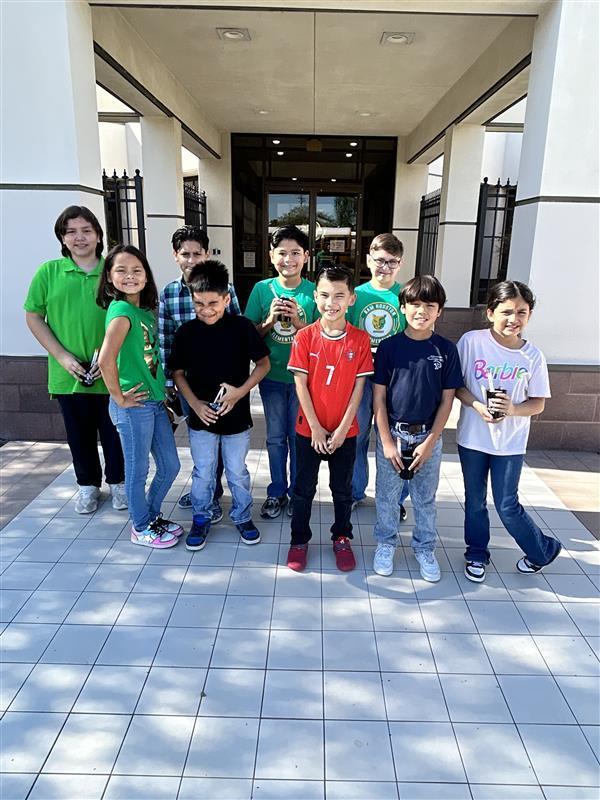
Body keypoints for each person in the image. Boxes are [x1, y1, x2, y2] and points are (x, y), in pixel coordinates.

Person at [455, 281, 562, 582]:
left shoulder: (533, 356)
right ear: (490, 312)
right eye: (506, 311)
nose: (513, 319)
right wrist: (477, 406)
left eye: (521, 312)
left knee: (506, 504)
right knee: (474, 500)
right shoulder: (471, 342)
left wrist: (513, 410)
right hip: (473, 438)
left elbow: (538, 403)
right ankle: (476, 553)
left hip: (511, 443)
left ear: (529, 316)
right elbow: (458, 386)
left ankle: (542, 550)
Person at [24, 206, 126, 514]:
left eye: (86, 230)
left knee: (115, 433)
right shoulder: (49, 272)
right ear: (62, 238)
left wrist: (108, 358)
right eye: (71, 231)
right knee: (79, 435)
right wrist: (63, 357)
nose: (79, 237)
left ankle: (119, 484)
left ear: (98, 235)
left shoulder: (113, 271)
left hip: (112, 371)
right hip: (68, 373)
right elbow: (34, 316)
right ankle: (87, 486)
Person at [169, 261, 270, 551]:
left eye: (213, 302)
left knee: (237, 470)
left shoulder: (241, 328)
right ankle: (201, 516)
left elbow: (263, 364)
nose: (206, 309)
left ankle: (241, 515)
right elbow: (177, 373)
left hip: (236, 419)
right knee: (203, 470)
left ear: (226, 299)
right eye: (199, 303)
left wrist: (239, 393)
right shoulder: (187, 332)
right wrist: (194, 404)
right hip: (201, 419)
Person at [372, 276, 463, 581]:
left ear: (440, 311)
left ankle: (424, 547)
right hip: (394, 434)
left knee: (425, 498)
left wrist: (430, 441)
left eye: (429, 305)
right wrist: (385, 441)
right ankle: (385, 544)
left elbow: (447, 401)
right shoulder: (388, 347)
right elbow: (379, 398)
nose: (421, 311)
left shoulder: (446, 350)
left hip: (428, 436)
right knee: (387, 496)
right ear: (402, 307)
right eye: (414, 304)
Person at [287, 265, 373, 572]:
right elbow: (300, 385)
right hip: (308, 430)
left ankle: (341, 537)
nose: (331, 302)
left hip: (344, 433)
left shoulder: (360, 340)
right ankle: (299, 540)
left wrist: (339, 431)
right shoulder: (305, 337)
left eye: (339, 295)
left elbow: (358, 390)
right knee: (303, 489)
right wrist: (316, 428)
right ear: (315, 297)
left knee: (342, 490)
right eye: (324, 295)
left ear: (351, 298)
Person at [97, 245, 182, 549]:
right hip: (134, 407)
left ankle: (150, 516)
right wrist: (118, 398)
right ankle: (141, 526)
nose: (130, 276)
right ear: (109, 277)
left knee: (171, 466)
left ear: (146, 276)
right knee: (138, 470)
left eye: (137, 270)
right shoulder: (121, 312)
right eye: (121, 270)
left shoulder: (142, 310)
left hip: (154, 403)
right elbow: (106, 360)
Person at [158, 225, 241, 518]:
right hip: (188, 383)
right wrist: (170, 383)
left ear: (206, 254)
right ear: (175, 256)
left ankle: (213, 493)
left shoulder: (224, 289)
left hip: (220, 381)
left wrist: (235, 381)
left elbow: (237, 332)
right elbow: (165, 338)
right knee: (201, 439)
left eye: (197, 253)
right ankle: (204, 492)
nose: (191, 259)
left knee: (220, 436)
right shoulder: (169, 292)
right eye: (185, 254)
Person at [245, 225, 317, 519]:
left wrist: (300, 323)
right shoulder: (262, 289)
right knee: (275, 438)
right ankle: (277, 491)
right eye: (282, 253)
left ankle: (299, 493)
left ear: (306, 256)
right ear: (271, 255)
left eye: (296, 253)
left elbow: (321, 339)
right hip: (272, 377)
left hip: (304, 380)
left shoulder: (314, 291)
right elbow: (249, 335)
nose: (289, 259)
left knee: (299, 438)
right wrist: (270, 320)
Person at [347, 233, 408, 517]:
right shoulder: (356, 295)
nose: (385, 267)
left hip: (395, 378)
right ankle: (355, 491)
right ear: (369, 259)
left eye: (392, 262)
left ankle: (394, 498)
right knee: (357, 437)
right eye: (380, 260)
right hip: (360, 377)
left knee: (395, 439)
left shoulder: (406, 297)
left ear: (400, 264)